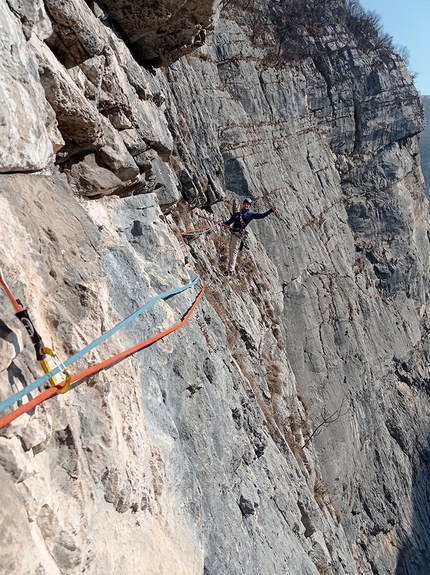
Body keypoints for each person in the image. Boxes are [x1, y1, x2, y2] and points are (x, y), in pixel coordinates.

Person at [222, 198, 276, 275]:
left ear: (249, 206)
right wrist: (222, 223)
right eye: (245, 203)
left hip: (238, 235)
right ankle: (230, 270)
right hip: (234, 233)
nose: (246, 205)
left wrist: (271, 210)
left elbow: (261, 216)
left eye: (248, 204)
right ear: (243, 204)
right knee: (231, 251)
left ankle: (231, 271)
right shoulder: (237, 214)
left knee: (233, 251)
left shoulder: (250, 215)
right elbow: (228, 222)